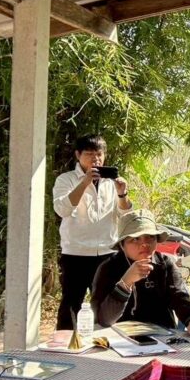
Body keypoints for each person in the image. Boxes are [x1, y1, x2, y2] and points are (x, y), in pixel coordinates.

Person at [52, 134, 131, 330]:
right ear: (78, 155)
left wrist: (122, 193)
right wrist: (85, 183)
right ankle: (64, 342)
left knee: (107, 304)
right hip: (76, 253)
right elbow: (62, 210)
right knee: (71, 303)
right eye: (89, 154)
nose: (95, 159)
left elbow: (124, 214)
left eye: (99, 154)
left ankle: (106, 342)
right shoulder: (66, 179)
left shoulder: (111, 182)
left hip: (107, 252)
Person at [91, 209, 190, 335]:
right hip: (119, 337)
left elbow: (180, 298)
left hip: (162, 335)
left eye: (150, 237)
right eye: (135, 239)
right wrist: (125, 283)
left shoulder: (164, 264)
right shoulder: (108, 268)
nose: (144, 244)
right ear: (122, 245)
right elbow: (104, 319)